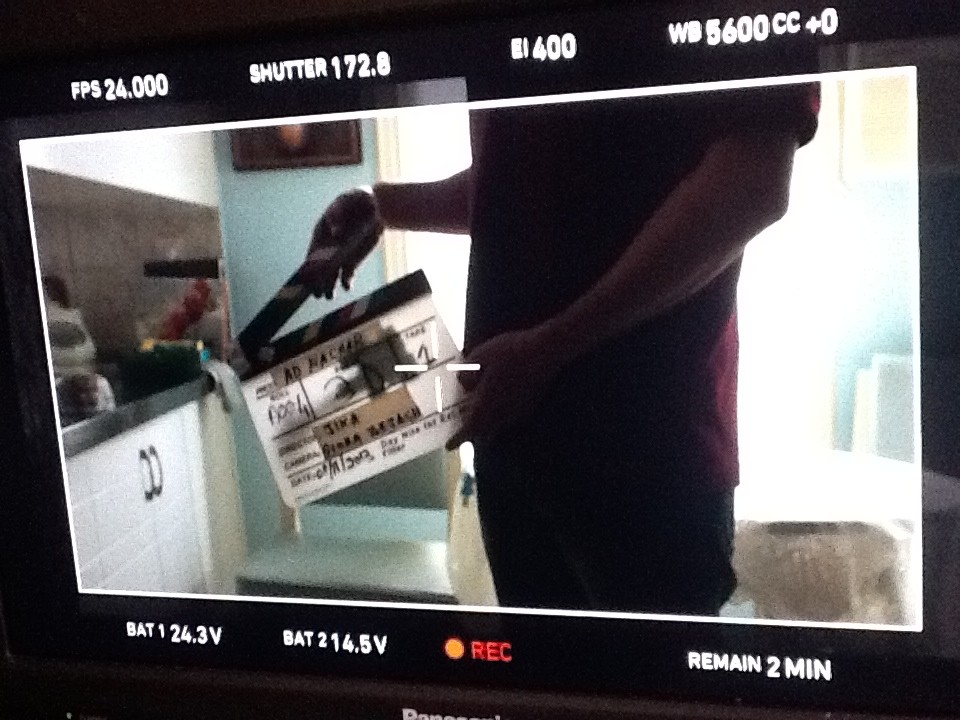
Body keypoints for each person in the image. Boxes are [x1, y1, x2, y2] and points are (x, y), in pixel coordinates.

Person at [301, 82, 820, 615]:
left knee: (647, 671)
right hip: (513, 447)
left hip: (647, 461)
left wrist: (551, 346)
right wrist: (381, 205)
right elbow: (507, 194)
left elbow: (753, 183)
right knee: (540, 670)